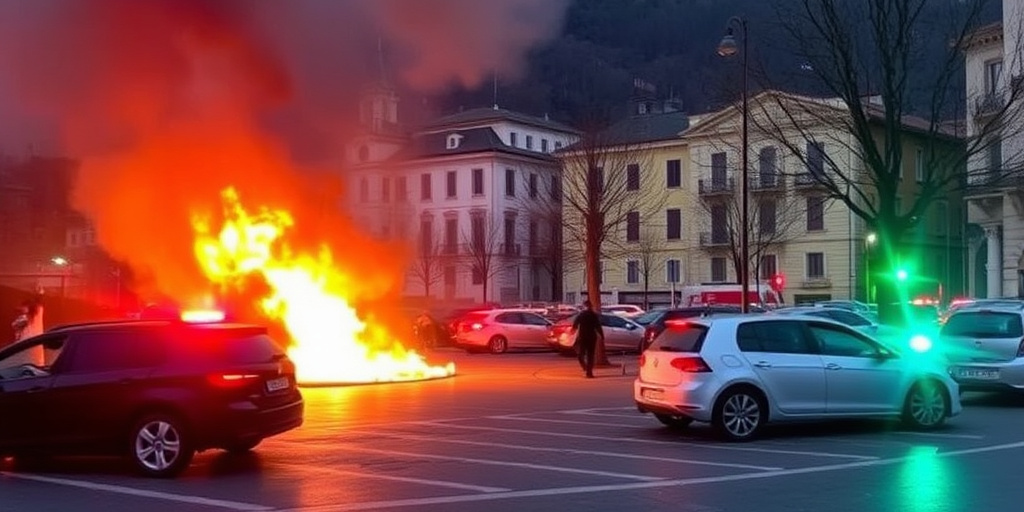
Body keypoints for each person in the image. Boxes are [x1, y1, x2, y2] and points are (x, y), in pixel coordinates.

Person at [571, 300, 604, 378]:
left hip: (582, 337)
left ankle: (584, 366)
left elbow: (575, 325)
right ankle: (589, 373)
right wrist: (601, 336)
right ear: (590, 306)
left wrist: (572, 332)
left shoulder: (581, 315)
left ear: (584, 306)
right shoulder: (593, 315)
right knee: (590, 355)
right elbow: (598, 326)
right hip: (592, 337)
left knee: (581, 353)